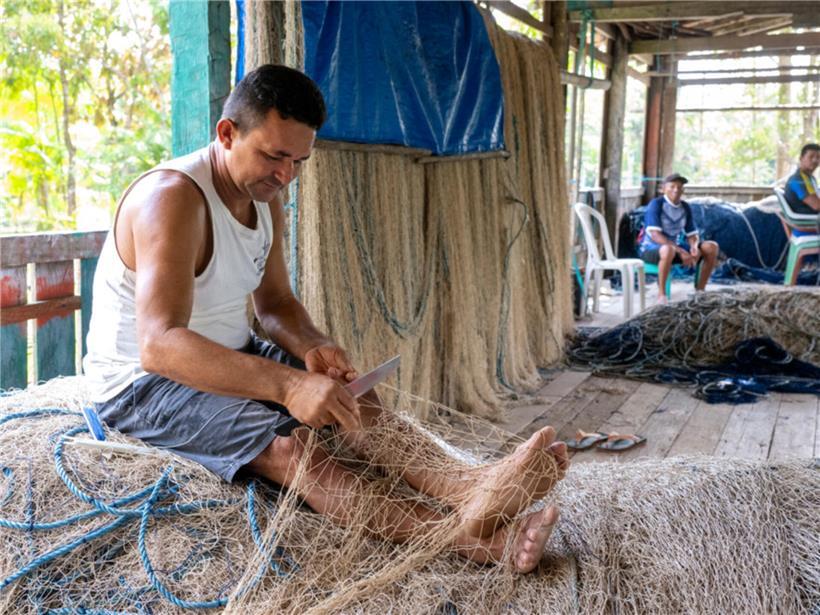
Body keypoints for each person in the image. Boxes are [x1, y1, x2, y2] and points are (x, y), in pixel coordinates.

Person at [82, 64, 569, 573]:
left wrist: (311, 346)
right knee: (295, 449)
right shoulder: (173, 199)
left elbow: (275, 305)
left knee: (353, 399)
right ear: (227, 134)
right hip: (143, 385)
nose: (286, 174)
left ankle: (471, 488)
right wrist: (288, 387)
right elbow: (158, 345)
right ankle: (469, 540)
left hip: (226, 353)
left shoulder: (262, 196)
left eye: (298, 160)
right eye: (274, 155)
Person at [637, 173, 719, 303]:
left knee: (711, 247)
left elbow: (692, 234)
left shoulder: (685, 207)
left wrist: (693, 247)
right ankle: (662, 295)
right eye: (672, 186)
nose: (676, 190)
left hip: (673, 247)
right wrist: (681, 251)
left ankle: (700, 291)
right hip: (651, 248)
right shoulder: (656, 204)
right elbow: (655, 235)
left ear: (683, 190)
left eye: (679, 187)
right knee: (668, 249)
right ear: (663, 188)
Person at [783, 143, 820, 227]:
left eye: (818, 157)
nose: (815, 160)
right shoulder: (798, 180)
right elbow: (817, 206)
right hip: (807, 219)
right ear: (801, 158)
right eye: (811, 157)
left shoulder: (810, 178)